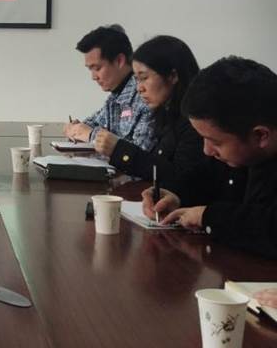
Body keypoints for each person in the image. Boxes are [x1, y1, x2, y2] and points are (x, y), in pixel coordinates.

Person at [142, 57, 277, 259]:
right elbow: (206, 175)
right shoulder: (242, 151)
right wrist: (176, 195)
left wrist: (208, 217)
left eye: (215, 142)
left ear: (260, 136)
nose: (206, 150)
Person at [93, 35, 205, 184]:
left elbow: (181, 179)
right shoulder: (163, 112)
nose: (139, 88)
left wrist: (119, 149)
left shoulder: (196, 121)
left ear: (172, 76)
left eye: (144, 78)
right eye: (137, 79)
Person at [63, 24, 155, 152]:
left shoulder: (146, 95)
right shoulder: (115, 97)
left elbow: (141, 152)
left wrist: (91, 135)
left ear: (119, 61)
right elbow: (91, 124)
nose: (94, 77)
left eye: (97, 68)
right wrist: (75, 128)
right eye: (90, 69)